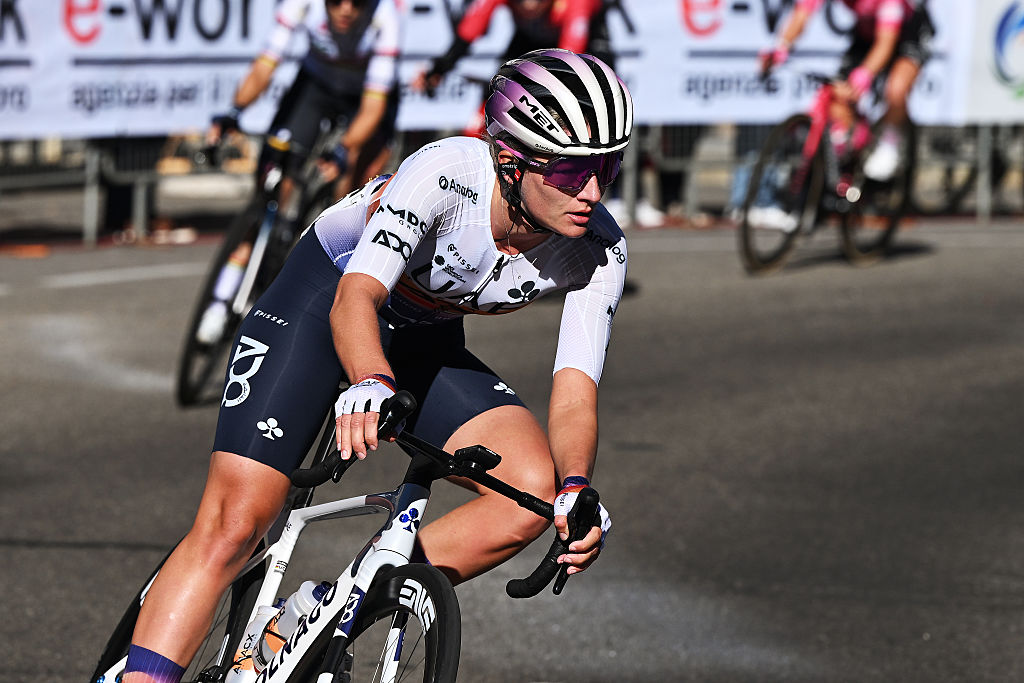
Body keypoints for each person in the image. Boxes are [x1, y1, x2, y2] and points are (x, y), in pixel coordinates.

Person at [121, 48, 628, 682]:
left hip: (423, 335)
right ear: (511, 160)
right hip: (322, 301)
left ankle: (322, 616)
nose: (593, 190)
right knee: (237, 523)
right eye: (569, 172)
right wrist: (369, 379)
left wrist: (576, 487)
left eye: (607, 165)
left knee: (531, 494)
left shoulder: (598, 248)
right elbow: (355, 298)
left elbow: (577, 387)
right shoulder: (447, 175)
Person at [197, 0, 402, 345]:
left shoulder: (386, 20)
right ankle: (235, 282)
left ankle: (330, 282)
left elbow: (372, 108)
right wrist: (233, 112)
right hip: (317, 84)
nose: (346, 10)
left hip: (365, 97)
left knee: (353, 186)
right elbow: (264, 68)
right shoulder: (302, 5)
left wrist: (343, 149)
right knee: (274, 177)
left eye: (358, 3)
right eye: (336, 0)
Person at [751, 0, 934, 231]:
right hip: (867, 33)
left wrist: (866, 75)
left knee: (896, 90)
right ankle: (847, 150)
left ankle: (890, 142)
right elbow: (801, 15)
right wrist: (780, 48)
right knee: (838, 93)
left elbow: (886, 43)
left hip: (908, 34)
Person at [413, 0, 616, 134]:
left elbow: (567, 59)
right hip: (531, 38)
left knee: (586, 99)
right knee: (500, 88)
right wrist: (438, 70)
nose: (527, 5)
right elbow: (470, 29)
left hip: (585, 44)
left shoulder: (576, 4)